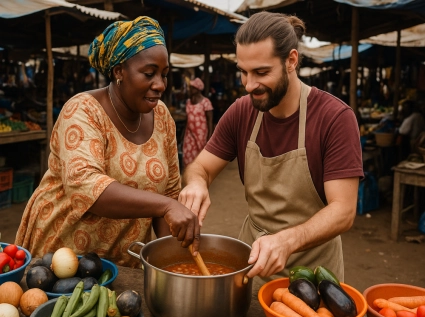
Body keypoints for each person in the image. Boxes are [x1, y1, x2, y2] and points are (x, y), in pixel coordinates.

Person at [179, 12, 363, 283]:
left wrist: (288, 240)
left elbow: (343, 211)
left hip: (315, 276)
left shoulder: (334, 118)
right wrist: (196, 182)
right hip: (251, 268)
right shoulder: (241, 112)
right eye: (243, 72)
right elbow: (201, 166)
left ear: (291, 60)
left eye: (261, 72)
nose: (250, 85)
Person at [15, 16, 200, 267]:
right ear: (119, 72)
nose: (160, 85)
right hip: (62, 258)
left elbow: (169, 192)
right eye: (149, 73)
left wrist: (175, 262)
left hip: (122, 261)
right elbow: (86, 187)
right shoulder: (82, 111)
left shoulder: (162, 117)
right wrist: (167, 206)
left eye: (164, 75)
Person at [182, 77, 213, 168]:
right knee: (187, 158)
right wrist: (182, 136)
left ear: (198, 88)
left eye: (192, 87)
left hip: (201, 136)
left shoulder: (206, 102)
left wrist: (209, 138)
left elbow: (210, 121)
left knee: (200, 159)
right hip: (189, 135)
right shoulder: (188, 102)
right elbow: (187, 120)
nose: (190, 89)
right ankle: (190, 178)